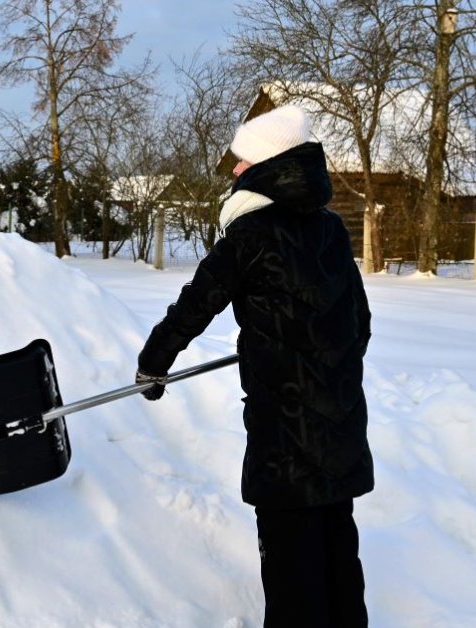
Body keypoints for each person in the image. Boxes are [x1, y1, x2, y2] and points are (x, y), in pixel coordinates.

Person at [135, 104, 373, 627]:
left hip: (285, 432)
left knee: (292, 567)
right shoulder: (331, 228)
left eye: (241, 162)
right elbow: (360, 322)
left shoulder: (249, 234)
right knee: (337, 553)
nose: (235, 171)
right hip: (339, 423)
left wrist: (153, 364)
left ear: (269, 164)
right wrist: (321, 364)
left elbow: (194, 306)